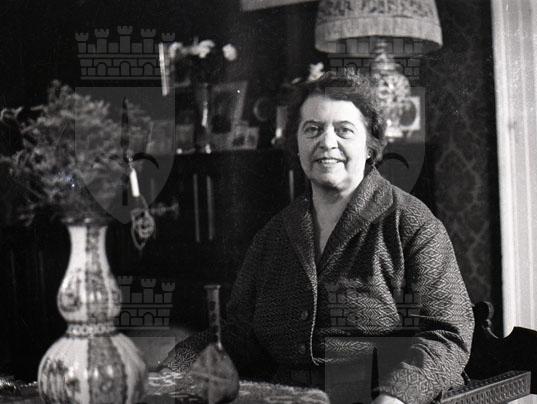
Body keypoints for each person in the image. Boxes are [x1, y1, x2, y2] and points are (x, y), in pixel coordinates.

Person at [161, 72, 474, 404]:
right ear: (297, 145)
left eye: (344, 130)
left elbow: (447, 336)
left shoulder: (411, 224)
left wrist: (395, 397)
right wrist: (172, 369)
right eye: (312, 129)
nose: (327, 142)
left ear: (370, 146)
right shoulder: (274, 235)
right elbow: (238, 335)